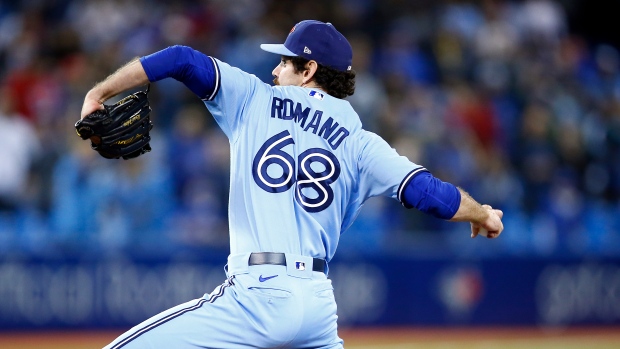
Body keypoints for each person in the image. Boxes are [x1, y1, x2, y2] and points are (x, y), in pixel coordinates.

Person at [80, 20, 504, 349]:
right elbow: (428, 194)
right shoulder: (361, 142)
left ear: (309, 70)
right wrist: (482, 213)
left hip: (257, 293)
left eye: (285, 62)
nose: (275, 68)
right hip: (317, 306)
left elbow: (181, 58)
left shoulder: (253, 98)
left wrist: (102, 90)